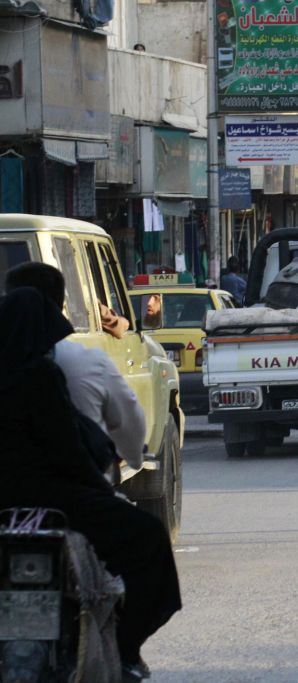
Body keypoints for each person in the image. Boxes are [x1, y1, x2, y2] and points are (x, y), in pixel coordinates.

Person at [0, 288, 181, 682]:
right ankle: (126, 649)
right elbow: (67, 451)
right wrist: (104, 494)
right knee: (148, 539)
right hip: (49, 498)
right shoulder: (39, 375)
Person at [5, 262, 147, 469]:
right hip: (75, 484)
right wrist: (134, 458)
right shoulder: (88, 362)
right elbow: (129, 420)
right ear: (61, 305)